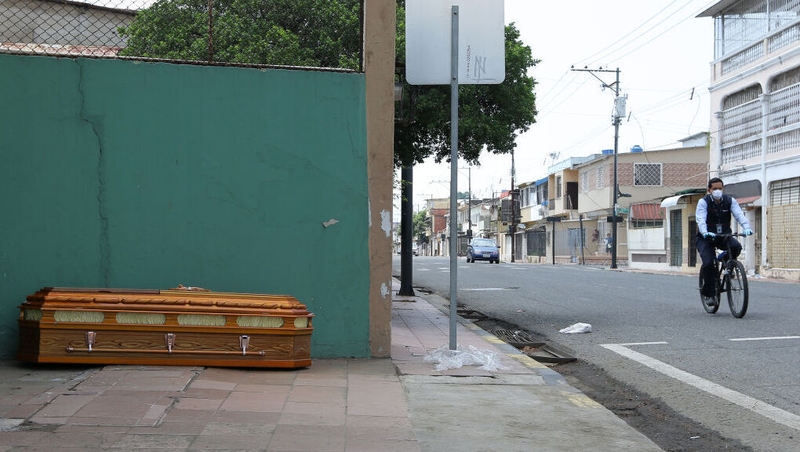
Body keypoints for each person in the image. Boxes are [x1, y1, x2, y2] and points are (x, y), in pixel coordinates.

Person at [695, 177, 753, 306]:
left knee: (736, 247)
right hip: (706, 238)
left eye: (720, 188)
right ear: (709, 190)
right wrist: (705, 232)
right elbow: (701, 219)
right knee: (709, 264)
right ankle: (710, 295)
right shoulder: (703, 202)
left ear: (723, 189)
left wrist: (746, 227)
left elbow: (739, 215)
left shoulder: (729, 201)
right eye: (714, 188)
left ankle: (727, 263)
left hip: (723, 235)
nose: (717, 191)